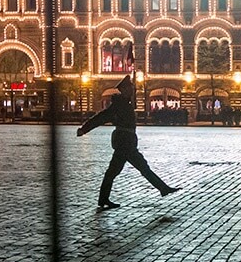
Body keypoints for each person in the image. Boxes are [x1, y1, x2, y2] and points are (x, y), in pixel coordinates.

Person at [77, 66, 179, 210]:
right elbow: (101, 117)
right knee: (138, 168)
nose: (132, 90)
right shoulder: (118, 105)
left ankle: (104, 199)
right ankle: (163, 188)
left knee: (116, 171)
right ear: (124, 90)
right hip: (124, 143)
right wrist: (84, 129)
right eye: (130, 88)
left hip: (126, 142)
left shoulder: (125, 103)